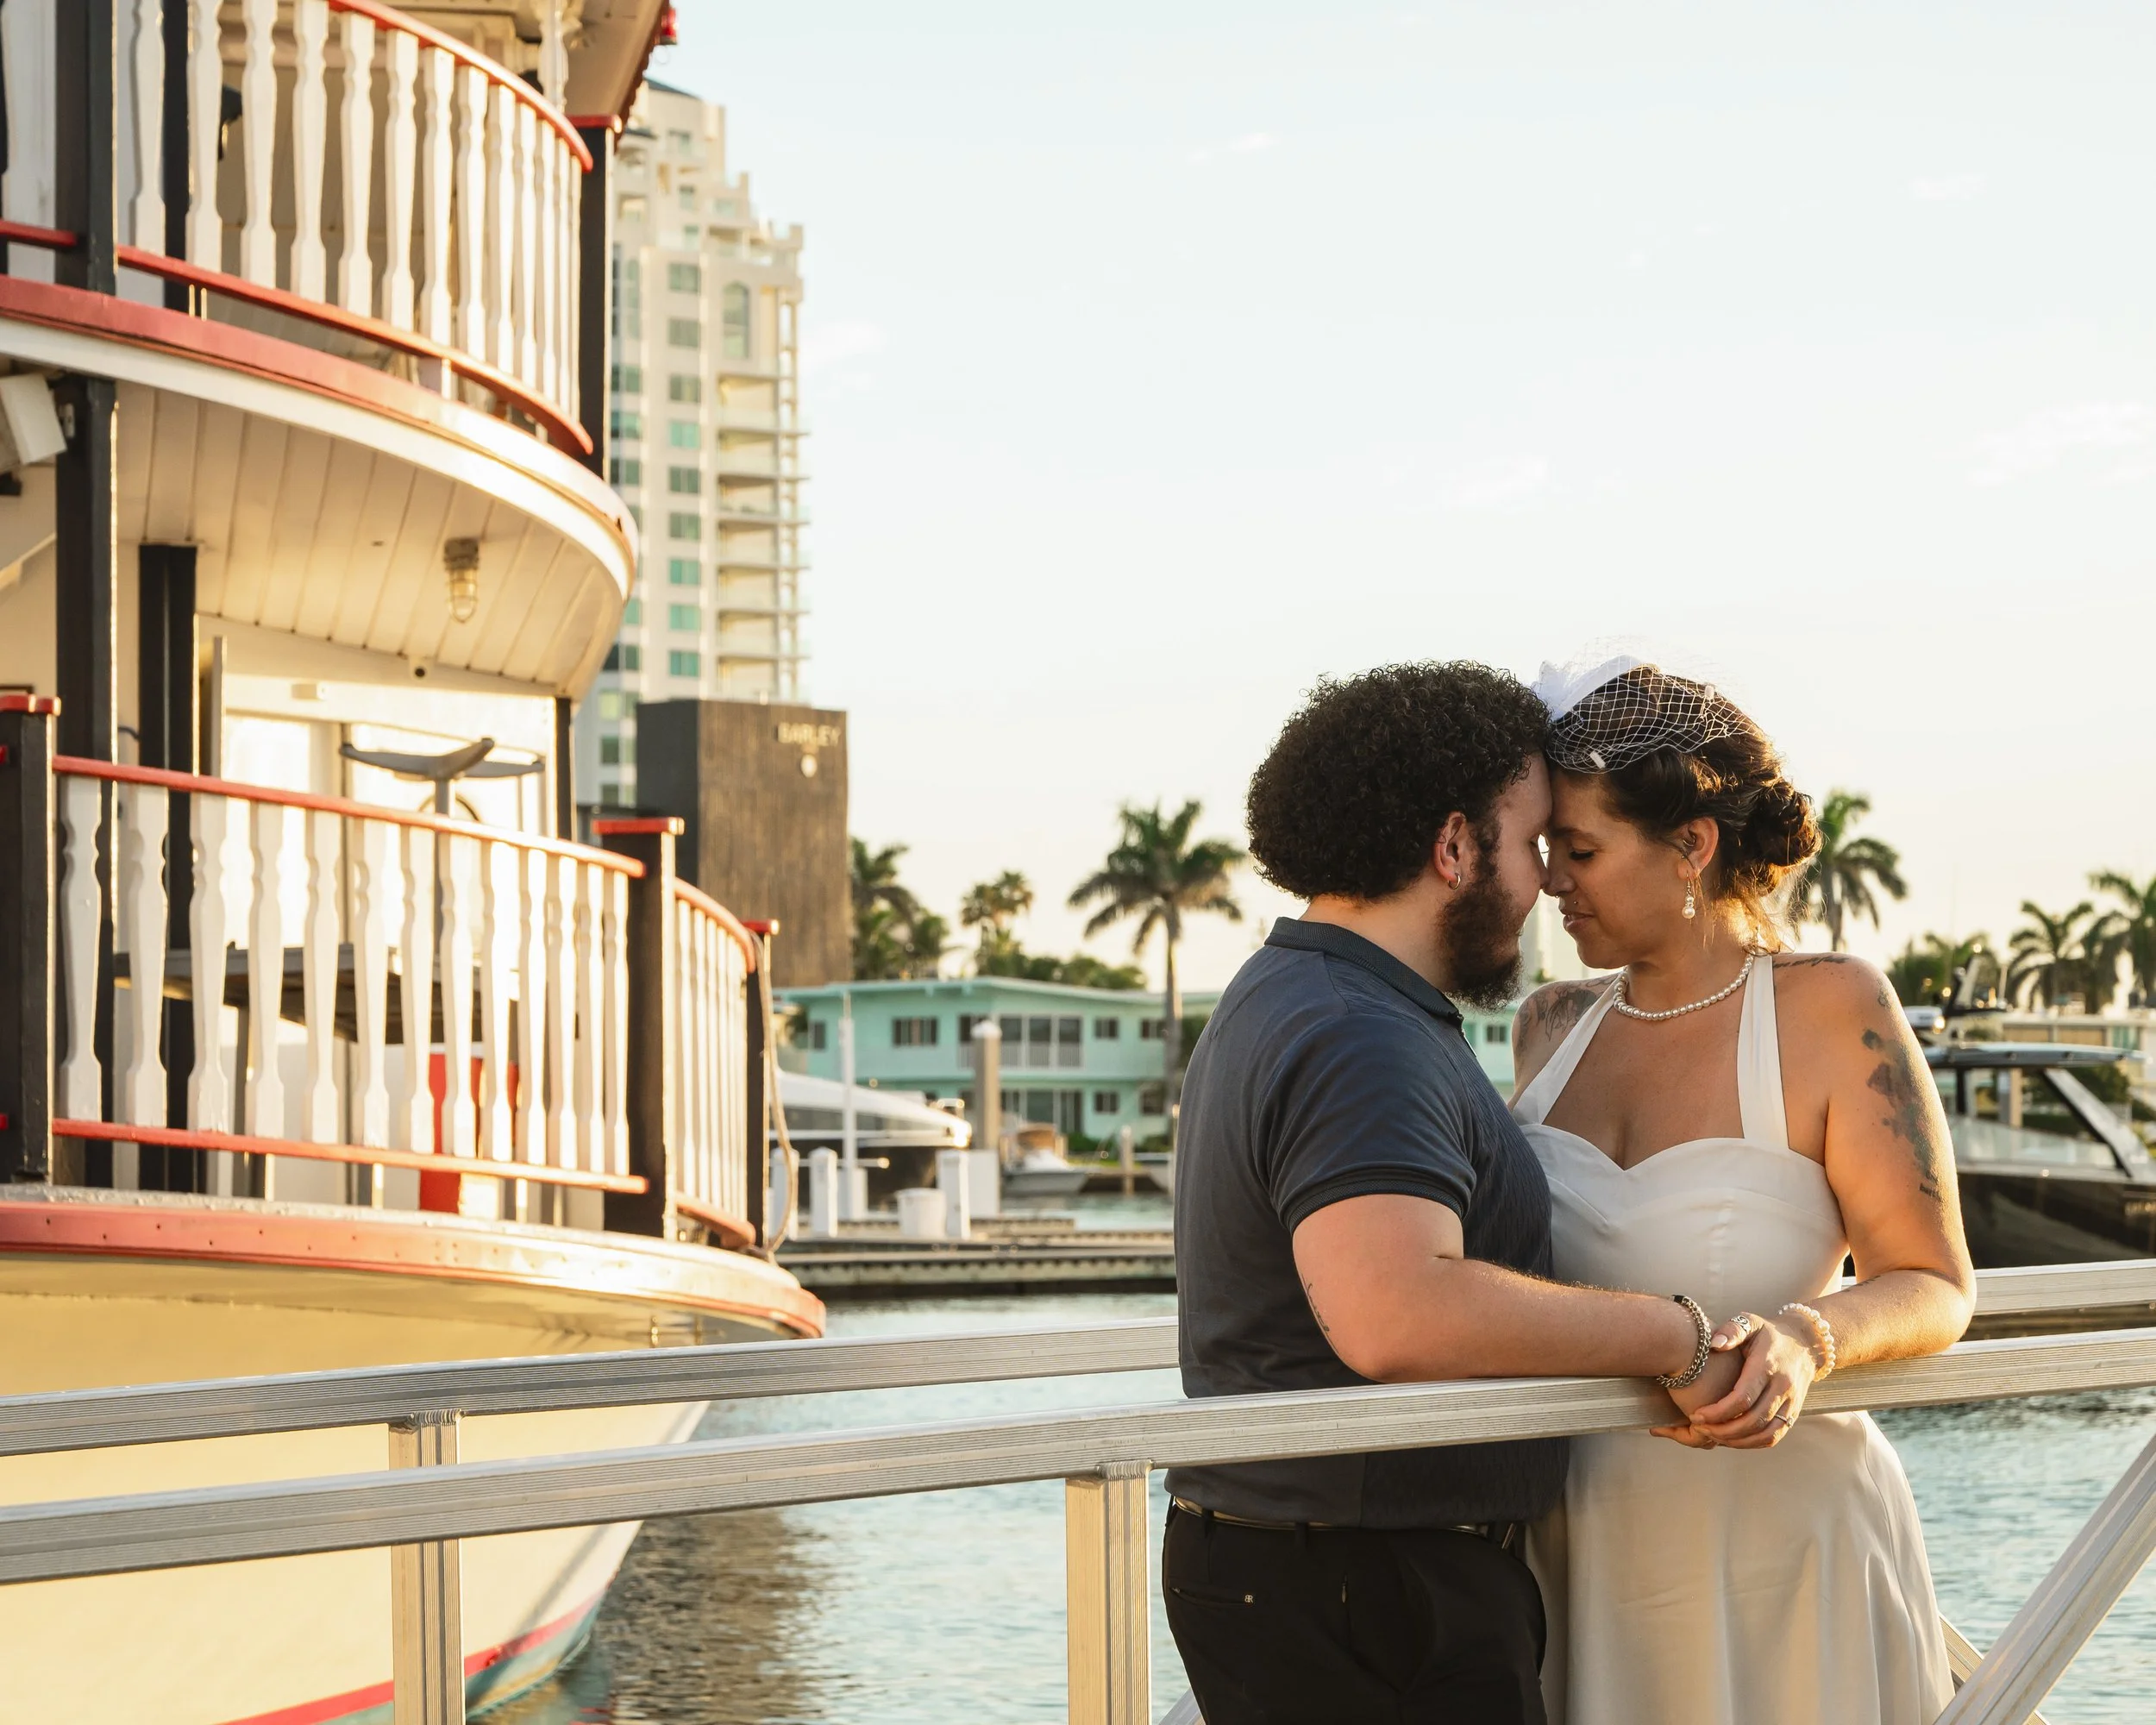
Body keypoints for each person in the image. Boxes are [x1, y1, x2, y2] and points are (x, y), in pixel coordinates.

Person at [1167, 662, 1757, 1725]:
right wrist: (1680, 1337)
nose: (1544, 881)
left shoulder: (1296, 989)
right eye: (1532, 843)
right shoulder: (1358, 1031)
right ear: (1452, 847)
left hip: (1312, 1566)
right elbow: (1398, 1309)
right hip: (1369, 1588)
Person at [1510, 656, 1973, 1725]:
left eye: (1579, 850)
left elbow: (1934, 1278)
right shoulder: (1547, 1025)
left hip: (1788, 1548)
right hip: (1581, 1550)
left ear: (1691, 844)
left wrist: (1807, 1339)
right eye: (1547, 852)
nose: (1550, 881)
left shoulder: (1830, 1006)